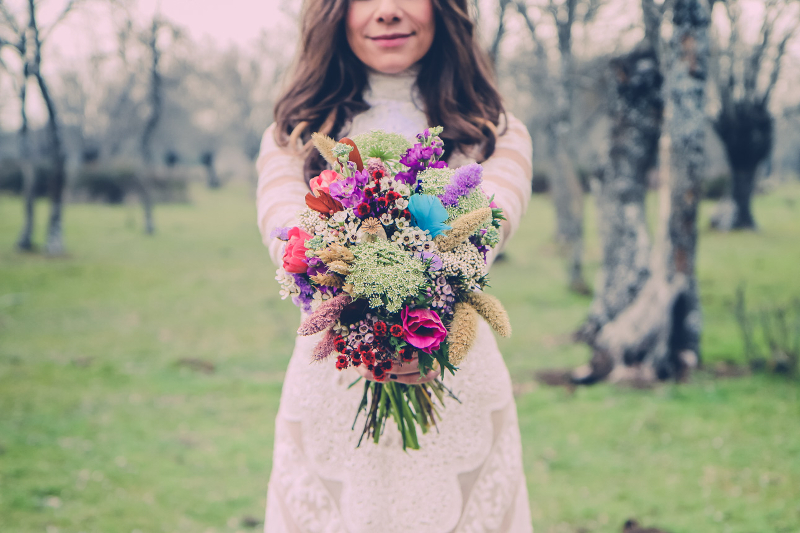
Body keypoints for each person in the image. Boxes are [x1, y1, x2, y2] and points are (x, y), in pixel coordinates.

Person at [255, 0, 533, 531]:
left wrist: (421, 316)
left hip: (457, 375)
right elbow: (287, 233)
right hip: (331, 378)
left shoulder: (494, 132)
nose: (387, 12)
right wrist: (359, 316)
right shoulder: (292, 133)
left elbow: (483, 230)